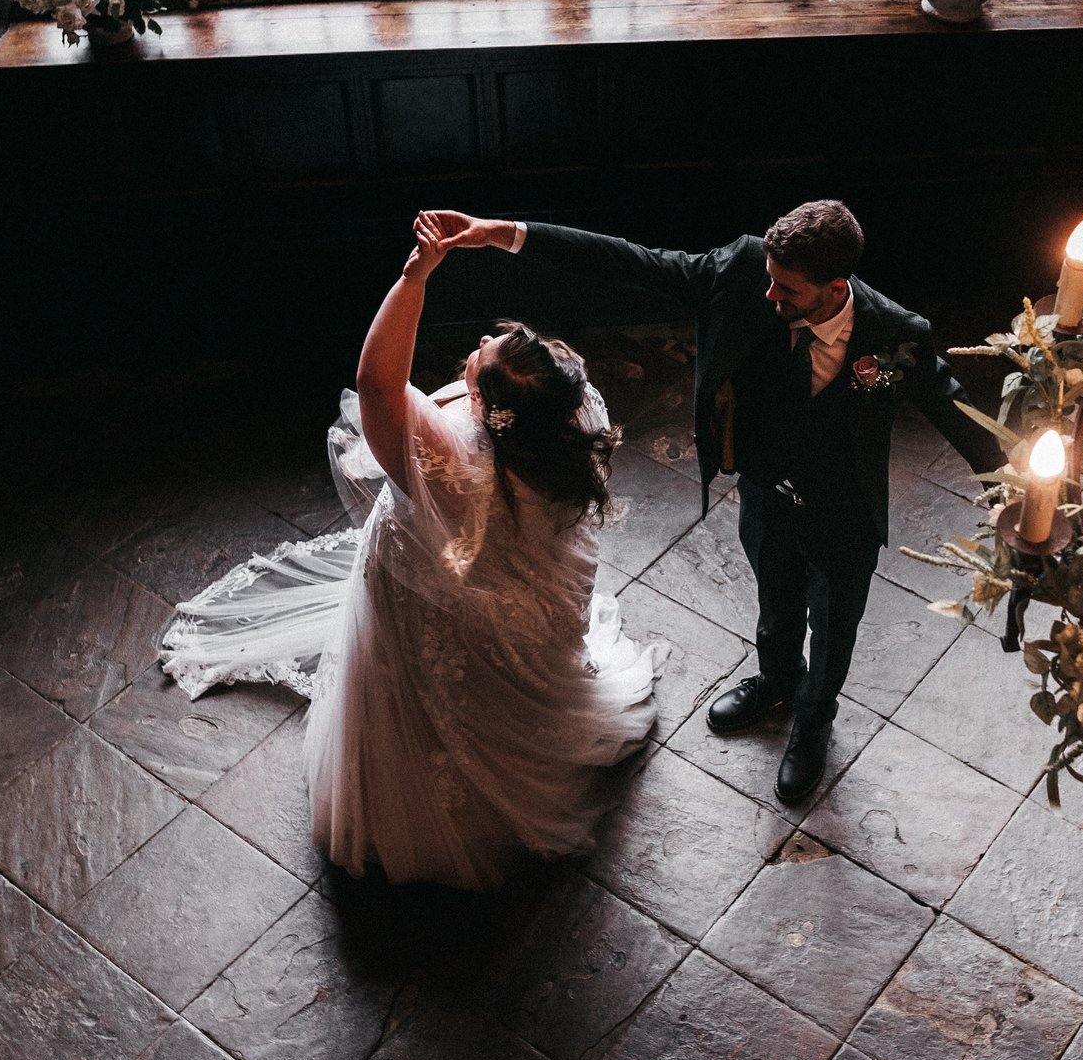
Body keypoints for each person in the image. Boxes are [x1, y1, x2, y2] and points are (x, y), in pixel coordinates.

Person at [426, 200, 1003, 803]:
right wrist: (505, 234)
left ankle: (813, 723)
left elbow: (955, 410)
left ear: (836, 288)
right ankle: (776, 680)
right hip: (763, 485)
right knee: (773, 594)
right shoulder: (743, 269)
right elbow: (629, 260)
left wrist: (1012, 494)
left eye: (787, 290)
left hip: (844, 511)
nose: (770, 294)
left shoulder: (893, 333)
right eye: (770, 278)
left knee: (834, 624)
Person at [158, 213, 658, 889]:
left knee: (415, 688)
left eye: (482, 357)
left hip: (431, 592)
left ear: (491, 407)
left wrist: (414, 276)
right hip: (515, 600)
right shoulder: (571, 418)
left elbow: (375, 384)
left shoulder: (448, 459)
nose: (480, 341)